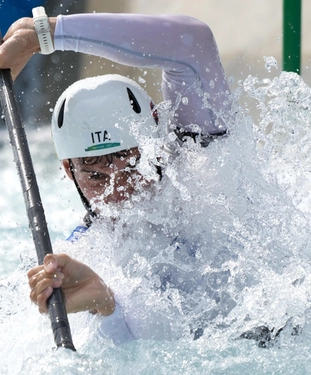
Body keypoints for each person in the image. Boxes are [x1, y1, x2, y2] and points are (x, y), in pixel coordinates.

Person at [0, 10, 234, 339]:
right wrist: (106, 305)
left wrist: (42, 34)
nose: (119, 191)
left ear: (156, 145)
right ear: (69, 171)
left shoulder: (208, 165)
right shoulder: (81, 258)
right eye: (96, 177)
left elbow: (192, 43)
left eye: (133, 166)